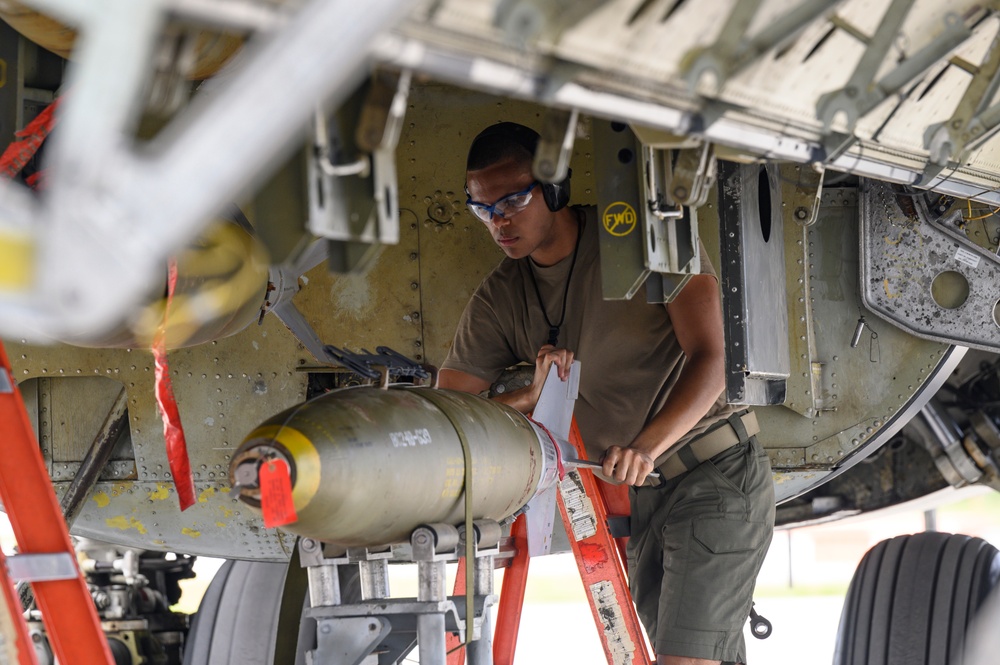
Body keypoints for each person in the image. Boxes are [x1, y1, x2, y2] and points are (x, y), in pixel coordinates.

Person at [438, 121, 775, 665]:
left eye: (513, 199)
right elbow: (450, 417)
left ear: (554, 188)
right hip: (644, 496)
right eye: (484, 208)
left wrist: (646, 446)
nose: (499, 220)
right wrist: (529, 397)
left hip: (716, 473)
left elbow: (716, 359)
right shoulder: (502, 297)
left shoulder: (640, 241)